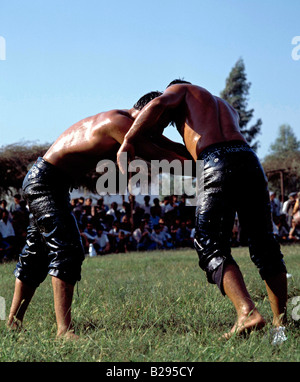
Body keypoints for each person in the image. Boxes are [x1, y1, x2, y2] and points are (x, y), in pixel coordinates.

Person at [7, 90, 191, 339]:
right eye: (160, 123)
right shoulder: (120, 123)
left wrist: (203, 152)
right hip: (44, 182)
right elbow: (160, 154)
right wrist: (204, 165)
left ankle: (13, 323)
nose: (160, 131)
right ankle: (63, 331)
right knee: (67, 250)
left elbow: (171, 147)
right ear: (150, 114)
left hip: (52, 184)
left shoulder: (127, 123)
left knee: (36, 253)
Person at [117, 79, 288, 339]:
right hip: (250, 160)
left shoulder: (180, 89)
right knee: (264, 244)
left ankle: (247, 313)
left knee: (209, 242)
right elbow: (189, 154)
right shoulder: (226, 109)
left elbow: (160, 103)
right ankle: (280, 326)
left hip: (217, 160)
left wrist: (129, 141)